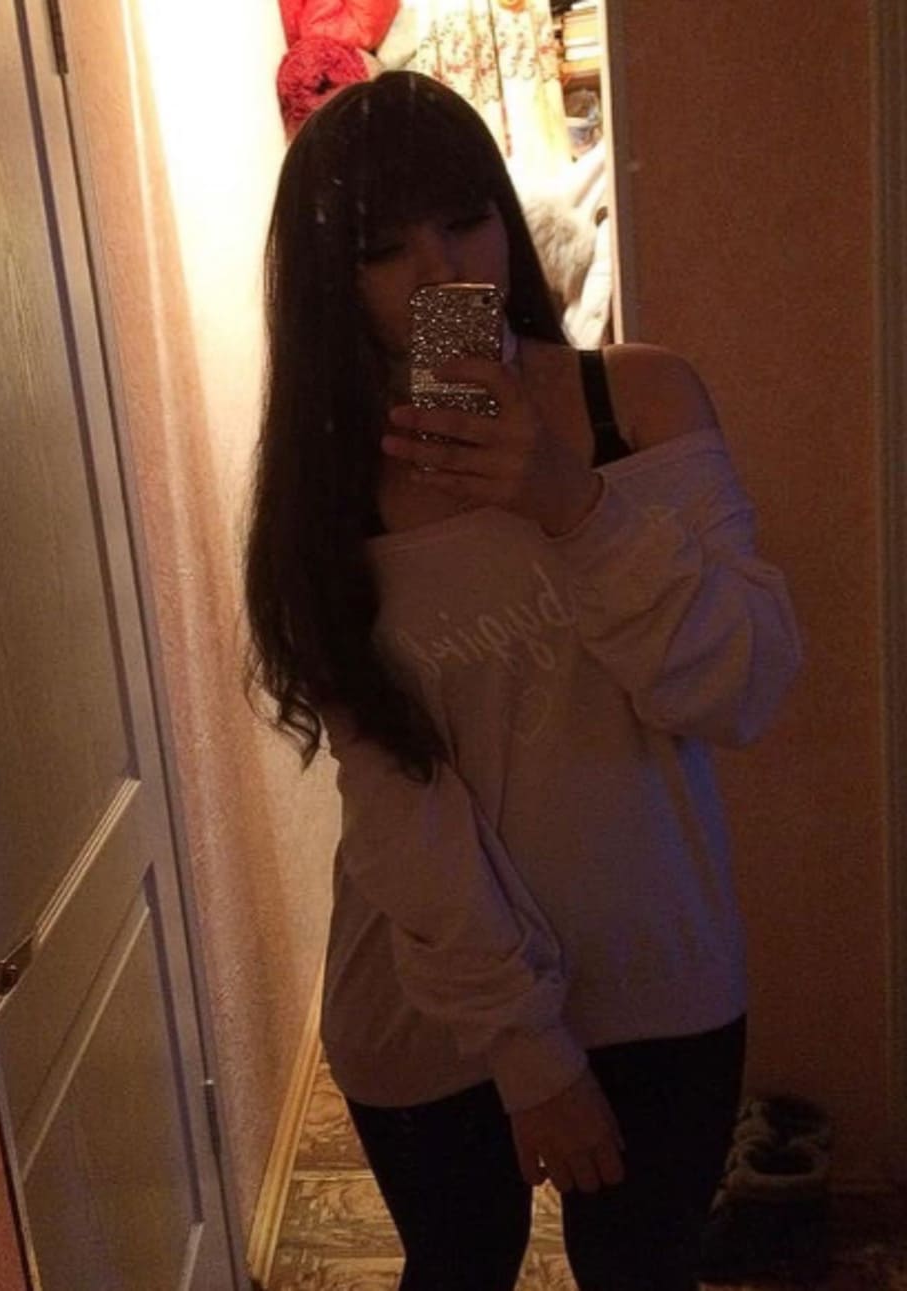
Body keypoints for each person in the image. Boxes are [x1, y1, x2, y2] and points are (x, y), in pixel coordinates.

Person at [244, 70, 801, 1291]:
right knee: (458, 1268)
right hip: (430, 990)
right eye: (381, 249)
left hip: (658, 970)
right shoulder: (324, 489)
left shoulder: (637, 401)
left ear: (504, 216)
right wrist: (527, 1048)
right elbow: (395, 797)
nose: (439, 272)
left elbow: (742, 686)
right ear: (329, 282)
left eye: (464, 220)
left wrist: (567, 501)